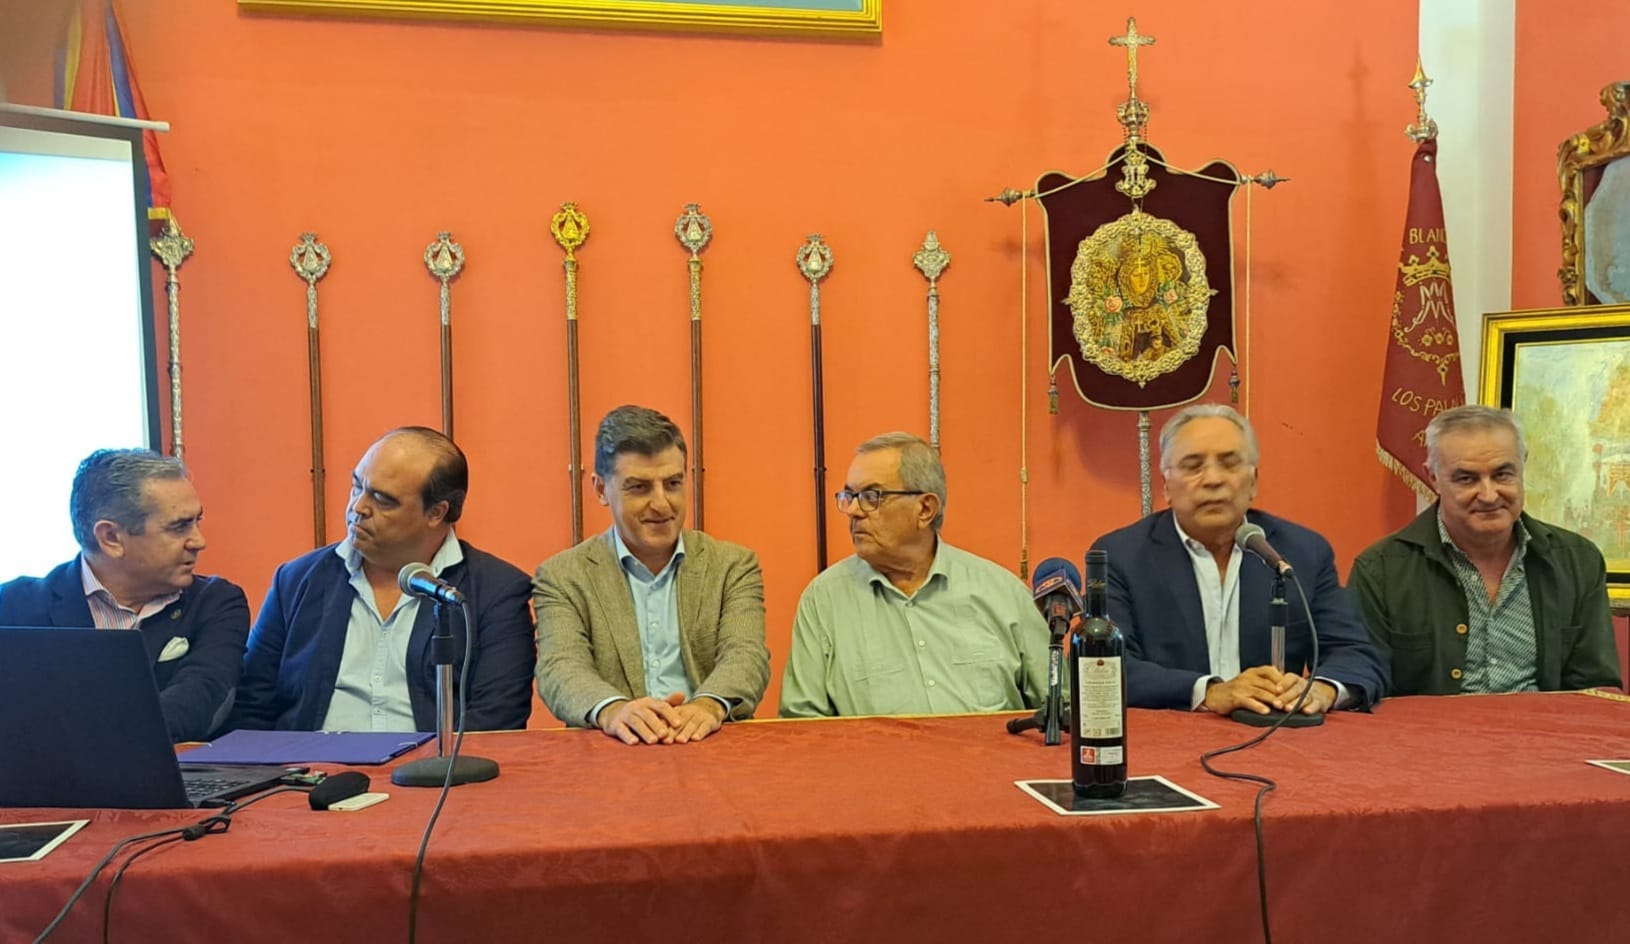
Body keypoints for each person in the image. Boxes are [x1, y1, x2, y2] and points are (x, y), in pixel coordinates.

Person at [1090, 404, 1388, 715]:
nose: (1213, 479)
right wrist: (1209, 692)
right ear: (1166, 485)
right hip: (1171, 734)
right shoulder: (1120, 556)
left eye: (1230, 464)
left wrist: (1321, 689)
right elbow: (1104, 666)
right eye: (1193, 466)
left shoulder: (1302, 552)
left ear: (1254, 481)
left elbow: (1355, 653)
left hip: (1275, 732)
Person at [235, 427, 534, 732]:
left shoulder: (495, 592)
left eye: (382, 500)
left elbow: (498, 720)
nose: (358, 507)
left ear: (435, 513)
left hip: (434, 762)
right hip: (310, 760)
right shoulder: (296, 580)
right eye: (357, 487)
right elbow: (251, 706)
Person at [534, 406, 770, 745]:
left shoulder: (732, 566)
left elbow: (746, 656)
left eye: (673, 484)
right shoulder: (563, 576)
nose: (661, 504)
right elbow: (561, 668)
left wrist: (707, 707)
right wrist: (614, 711)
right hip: (613, 751)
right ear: (600, 490)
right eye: (639, 488)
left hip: (709, 745)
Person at [1350, 405, 1621, 695]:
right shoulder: (1381, 570)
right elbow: (1361, 682)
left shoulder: (1577, 561)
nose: (1489, 495)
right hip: (1426, 726)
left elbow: (1594, 687)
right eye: (1466, 479)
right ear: (1433, 478)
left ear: (1523, 465)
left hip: (1541, 723)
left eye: (1503, 475)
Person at [779, 432, 1050, 718]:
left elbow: (1062, 709)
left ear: (925, 509)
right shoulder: (825, 601)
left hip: (991, 749)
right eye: (850, 496)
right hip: (874, 750)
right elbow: (802, 724)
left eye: (871, 497)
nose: (854, 511)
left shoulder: (1003, 594)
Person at [0, 448, 247, 742]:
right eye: (179, 527)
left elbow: (198, 702)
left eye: (197, 522)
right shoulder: (15, 607)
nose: (199, 541)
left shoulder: (216, 603)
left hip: (167, 771)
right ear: (111, 538)